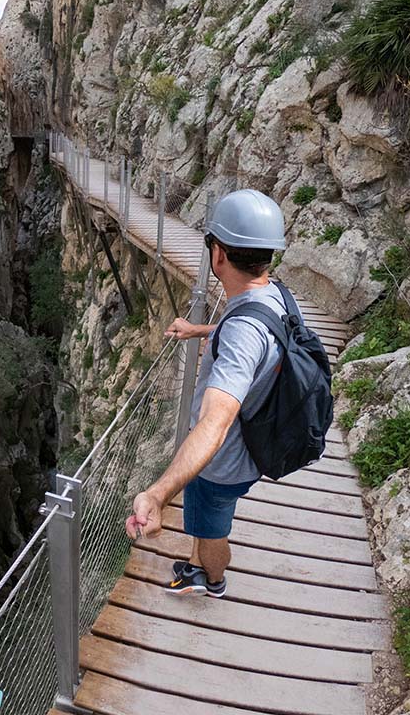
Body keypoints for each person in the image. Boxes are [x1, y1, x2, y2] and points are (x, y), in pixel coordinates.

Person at [124, 188, 295, 597]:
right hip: (250, 449)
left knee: (211, 529)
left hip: (220, 466)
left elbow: (215, 423)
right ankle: (201, 562)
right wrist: (201, 330)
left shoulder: (242, 334)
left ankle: (213, 579)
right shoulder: (275, 296)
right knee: (207, 522)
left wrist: (158, 494)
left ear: (217, 254)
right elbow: (256, 333)